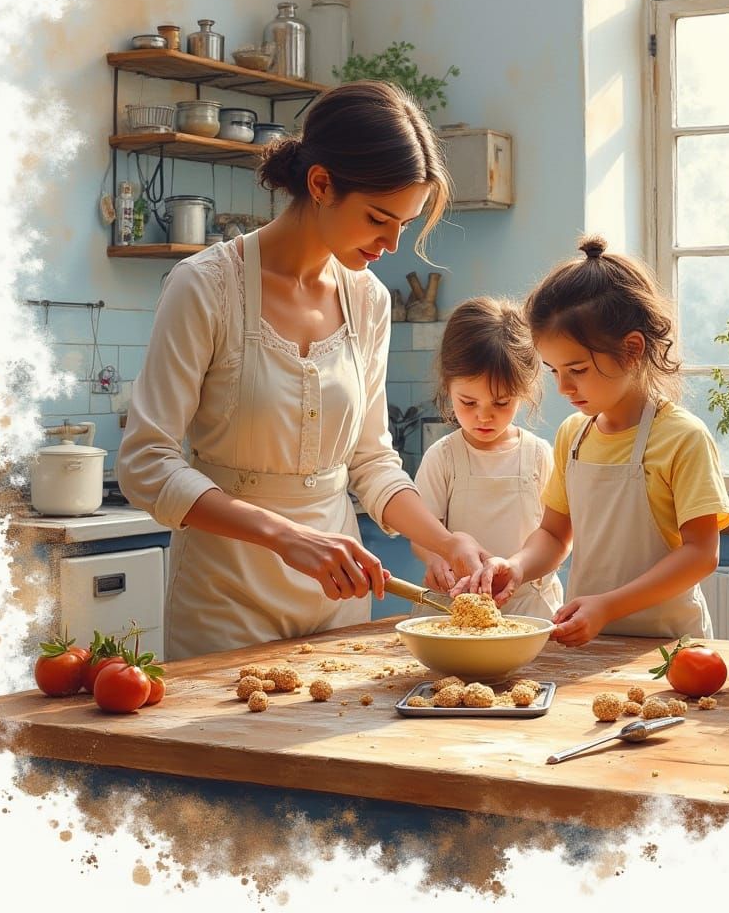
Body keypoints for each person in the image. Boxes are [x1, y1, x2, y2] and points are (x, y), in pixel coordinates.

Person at [118, 81, 488, 659]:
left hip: (339, 600)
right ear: (321, 184)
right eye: (377, 218)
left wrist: (443, 539)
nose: (392, 243)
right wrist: (288, 538)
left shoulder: (368, 301)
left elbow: (369, 459)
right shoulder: (204, 286)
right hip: (226, 600)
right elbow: (145, 463)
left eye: (404, 225)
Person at [452, 236, 729, 645]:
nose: (564, 386)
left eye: (578, 369)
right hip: (588, 641)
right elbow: (553, 535)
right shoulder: (574, 436)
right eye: (553, 371)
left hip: (669, 647)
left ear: (631, 350)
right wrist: (515, 566)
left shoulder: (683, 439)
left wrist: (609, 605)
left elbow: (701, 554)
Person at [409, 298, 564, 619]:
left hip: (530, 608)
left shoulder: (538, 455)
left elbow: (558, 535)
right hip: (457, 609)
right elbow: (423, 533)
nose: (484, 416)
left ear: (523, 392)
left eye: (501, 403)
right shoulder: (443, 457)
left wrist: (519, 567)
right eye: (468, 402)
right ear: (447, 387)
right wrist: (435, 558)